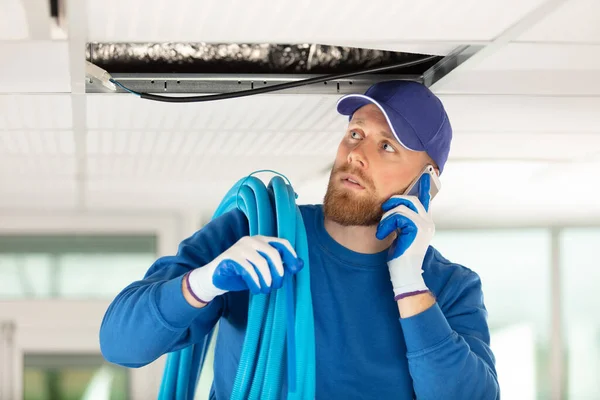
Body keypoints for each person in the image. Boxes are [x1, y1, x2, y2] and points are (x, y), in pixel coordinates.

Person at [100, 80, 499, 399]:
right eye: (355, 133)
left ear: (426, 184)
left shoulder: (450, 287)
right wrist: (202, 283)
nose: (357, 154)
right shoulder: (256, 234)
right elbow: (121, 345)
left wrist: (411, 284)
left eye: (387, 146)